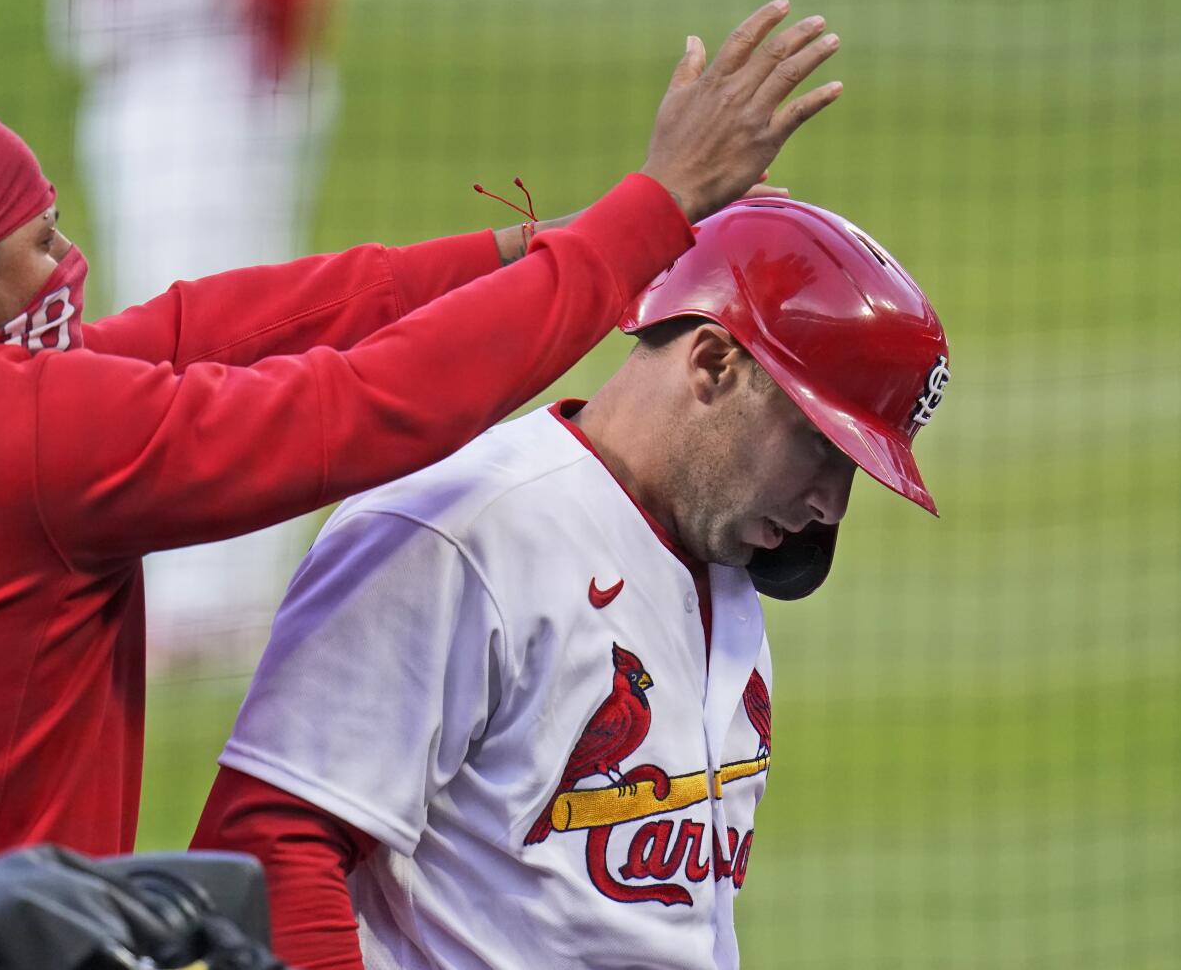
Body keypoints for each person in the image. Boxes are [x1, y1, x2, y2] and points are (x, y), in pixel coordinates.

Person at [0, 0, 840, 968]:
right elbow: (367, 404)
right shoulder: (16, 440)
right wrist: (649, 211)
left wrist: (536, 252)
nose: (68, 261)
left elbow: (205, 330)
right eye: (40, 240)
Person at [190, 196, 952, 969]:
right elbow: (266, 853)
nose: (831, 504)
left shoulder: (724, 555)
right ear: (714, 363)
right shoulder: (461, 530)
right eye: (820, 446)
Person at [51, 0, 341, 669]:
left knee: (206, 336)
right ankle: (214, 588)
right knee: (203, 332)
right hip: (181, 80)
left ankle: (210, 598)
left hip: (200, 80)